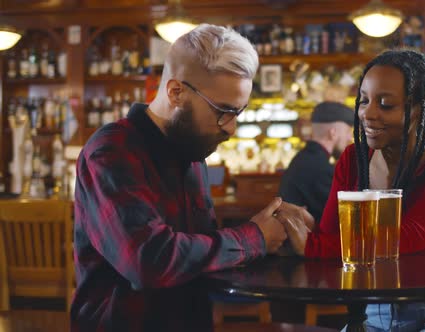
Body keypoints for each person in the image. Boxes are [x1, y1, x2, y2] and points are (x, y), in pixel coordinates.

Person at [71, 24, 312, 331]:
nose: (231, 127)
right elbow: (149, 261)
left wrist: (277, 235)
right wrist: (254, 237)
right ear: (176, 92)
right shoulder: (111, 151)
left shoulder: (191, 149)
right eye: (222, 111)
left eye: (238, 112)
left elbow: (198, 255)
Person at [281, 50, 425, 331]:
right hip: (374, 313)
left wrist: (313, 245)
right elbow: (334, 240)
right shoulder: (353, 160)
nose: (368, 113)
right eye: (364, 101)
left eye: (386, 104)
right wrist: (309, 229)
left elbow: (411, 235)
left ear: (417, 108)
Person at [279, 101, 354, 222]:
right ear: (333, 133)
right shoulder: (320, 168)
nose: (350, 138)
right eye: (348, 132)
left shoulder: (306, 158)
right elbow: (342, 219)